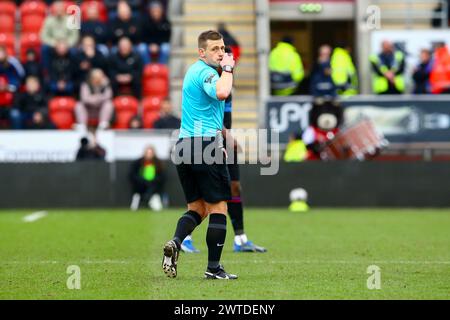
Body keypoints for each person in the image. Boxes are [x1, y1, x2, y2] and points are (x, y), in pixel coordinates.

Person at [162, 30, 238, 280]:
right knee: (218, 209)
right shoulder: (206, 72)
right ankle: (214, 268)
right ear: (201, 52)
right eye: (215, 49)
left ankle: (175, 242)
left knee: (197, 208)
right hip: (203, 146)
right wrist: (227, 69)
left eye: (223, 48)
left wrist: (221, 137)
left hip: (185, 145)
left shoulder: (193, 72)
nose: (221, 53)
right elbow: (222, 93)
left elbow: (210, 112)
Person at [181, 61, 267, 254]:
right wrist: (228, 136)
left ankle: (240, 238)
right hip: (209, 140)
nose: (231, 65)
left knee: (235, 187)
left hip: (223, 139)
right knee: (203, 197)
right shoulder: (210, 83)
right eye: (226, 61)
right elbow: (208, 116)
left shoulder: (228, 85)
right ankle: (186, 238)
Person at [40, 0, 79, 70]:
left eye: (60, 8)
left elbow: (74, 36)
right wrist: (55, 43)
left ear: (64, 8)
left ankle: (73, 73)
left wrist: (66, 44)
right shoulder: (49, 20)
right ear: (53, 9)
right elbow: (43, 36)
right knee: (44, 49)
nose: (58, 10)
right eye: (57, 8)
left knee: (74, 51)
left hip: (67, 44)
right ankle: (46, 72)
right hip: (53, 44)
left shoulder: (71, 20)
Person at [129, 146, 166, 211]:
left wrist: (153, 180)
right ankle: (138, 200)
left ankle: (152, 199)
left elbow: (162, 176)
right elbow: (132, 175)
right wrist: (142, 180)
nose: (149, 155)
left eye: (151, 153)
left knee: (153, 189)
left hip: (153, 186)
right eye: (147, 153)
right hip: (140, 185)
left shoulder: (158, 163)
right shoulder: (138, 162)